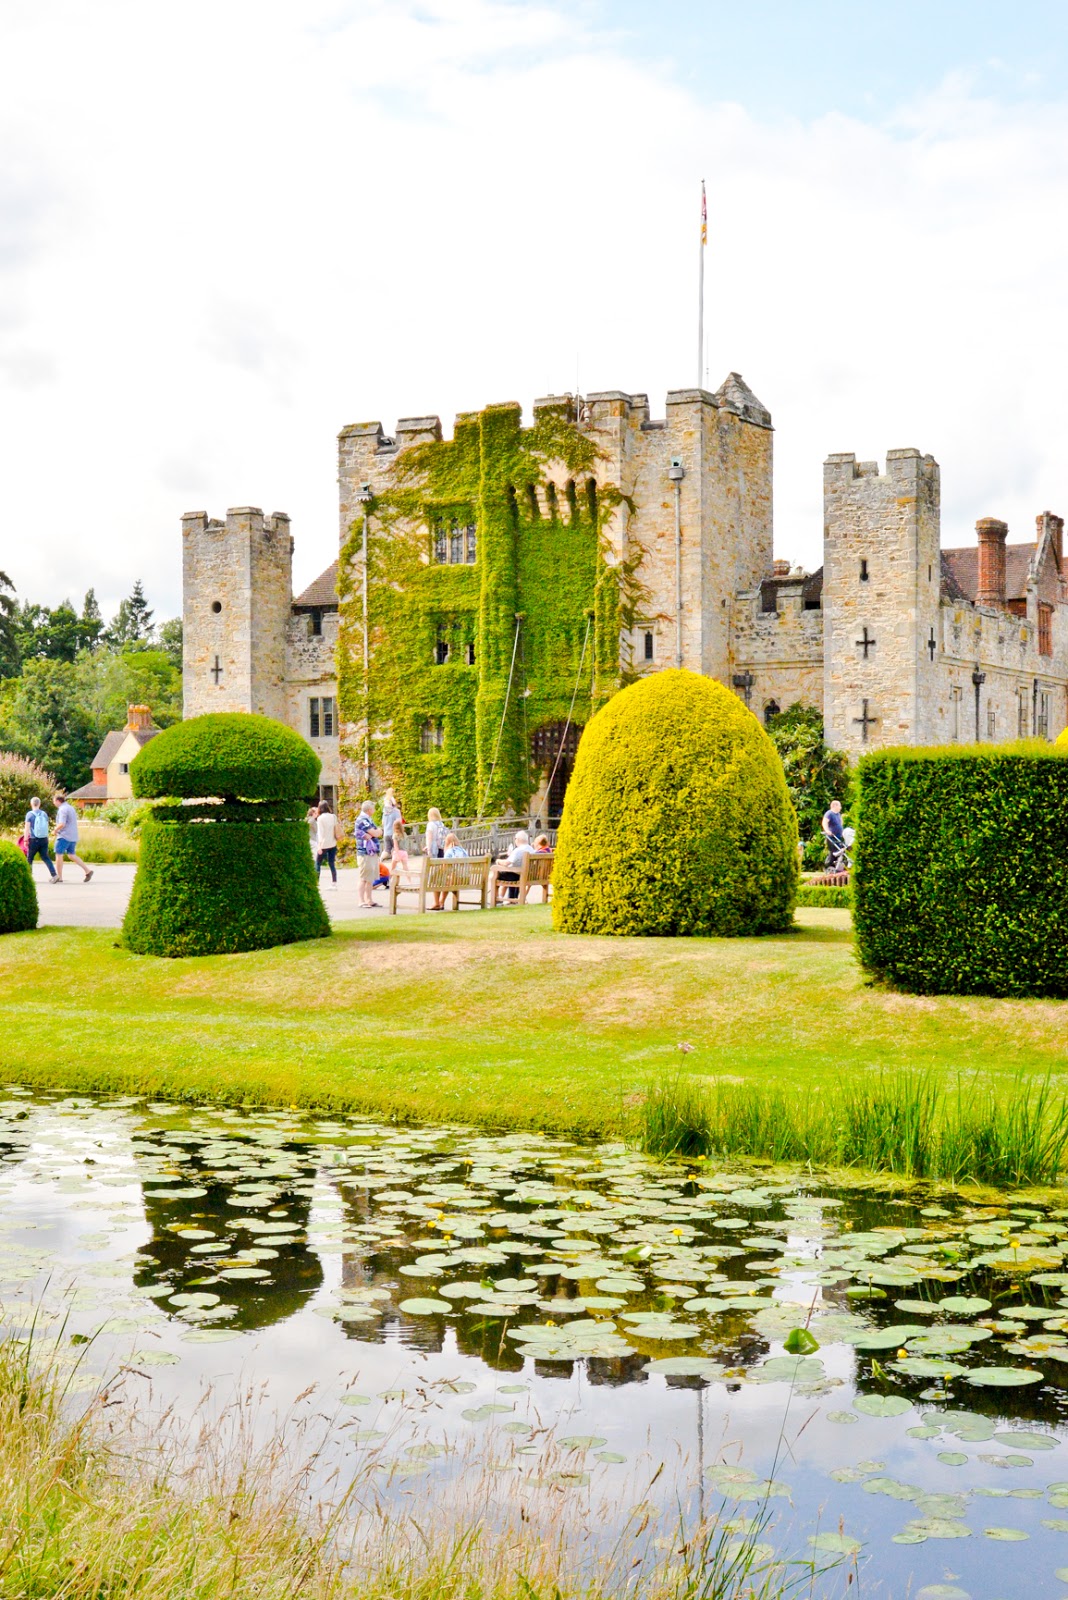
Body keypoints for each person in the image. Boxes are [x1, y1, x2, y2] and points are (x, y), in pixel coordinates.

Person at [52, 791, 93, 883]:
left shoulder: (62, 809)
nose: (54, 803)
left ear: (58, 801)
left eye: (54, 801)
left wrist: (55, 830)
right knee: (71, 855)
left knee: (59, 854)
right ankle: (87, 870)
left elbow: (62, 823)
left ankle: (59, 876)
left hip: (64, 836)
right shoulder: (70, 808)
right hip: (73, 835)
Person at [495, 828, 534, 905]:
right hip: (528, 875)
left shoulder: (519, 850)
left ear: (518, 839)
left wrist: (498, 861)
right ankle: (512, 899)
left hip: (518, 875)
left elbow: (506, 863)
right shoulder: (531, 849)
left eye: (515, 839)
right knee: (512, 872)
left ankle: (497, 899)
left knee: (495, 873)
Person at [354, 799, 381, 908]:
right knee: (364, 877)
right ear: (369, 810)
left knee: (370, 877)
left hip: (372, 851)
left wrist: (376, 832)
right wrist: (376, 832)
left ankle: (369, 899)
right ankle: (361, 900)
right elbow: (375, 832)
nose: (374, 810)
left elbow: (377, 832)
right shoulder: (362, 820)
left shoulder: (368, 819)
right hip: (365, 852)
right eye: (373, 808)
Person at [24, 797, 58, 884]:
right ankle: (54, 875)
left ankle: (28, 878)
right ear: (39, 804)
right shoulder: (44, 814)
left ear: (31, 804)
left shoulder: (29, 814)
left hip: (34, 839)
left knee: (30, 858)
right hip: (44, 839)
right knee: (46, 857)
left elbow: (27, 828)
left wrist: (25, 840)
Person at [424, 806, 447, 910]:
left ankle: (436, 902)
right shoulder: (441, 824)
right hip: (442, 851)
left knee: (434, 877)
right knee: (441, 876)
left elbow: (429, 838)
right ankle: (441, 902)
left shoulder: (431, 825)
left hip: (434, 852)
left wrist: (428, 850)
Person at [316, 802, 340, 889]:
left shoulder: (320, 818)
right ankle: (334, 882)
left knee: (318, 863)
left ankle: (316, 882)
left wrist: (319, 846)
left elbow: (320, 833)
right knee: (331, 863)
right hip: (333, 842)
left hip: (324, 844)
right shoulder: (333, 816)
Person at [821, 799, 847, 871]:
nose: (840, 807)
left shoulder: (838, 814)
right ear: (834, 806)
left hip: (839, 836)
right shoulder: (829, 813)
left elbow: (840, 823)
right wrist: (827, 830)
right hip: (832, 837)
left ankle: (837, 867)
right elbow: (824, 822)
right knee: (833, 853)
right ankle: (827, 866)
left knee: (840, 851)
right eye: (839, 806)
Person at [381, 789, 401, 858]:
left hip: (386, 833)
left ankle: (380, 859)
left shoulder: (384, 813)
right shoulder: (396, 811)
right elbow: (399, 822)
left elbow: (383, 823)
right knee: (396, 848)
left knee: (387, 850)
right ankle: (397, 862)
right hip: (394, 833)